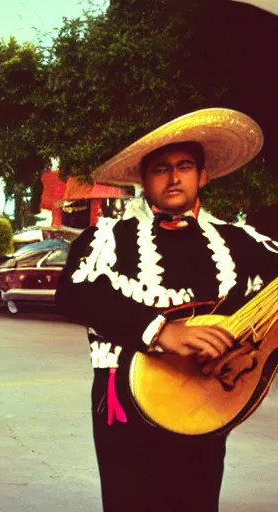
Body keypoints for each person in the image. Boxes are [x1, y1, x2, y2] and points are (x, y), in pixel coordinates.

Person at [56, 108, 278, 512]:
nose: (174, 178)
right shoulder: (106, 236)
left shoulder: (243, 241)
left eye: (185, 166)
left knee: (197, 500)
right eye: (161, 169)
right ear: (143, 180)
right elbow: (73, 294)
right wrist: (160, 331)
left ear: (203, 176)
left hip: (208, 402)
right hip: (124, 406)